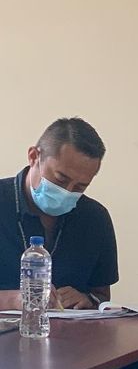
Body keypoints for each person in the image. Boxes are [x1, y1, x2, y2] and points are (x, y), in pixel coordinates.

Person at [0, 118, 117, 310]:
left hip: (72, 328)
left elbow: (102, 296)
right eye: (61, 179)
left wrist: (87, 300)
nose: (67, 192)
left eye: (80, 186)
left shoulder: (95, 218)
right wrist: (13, 300)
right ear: (33, 157)